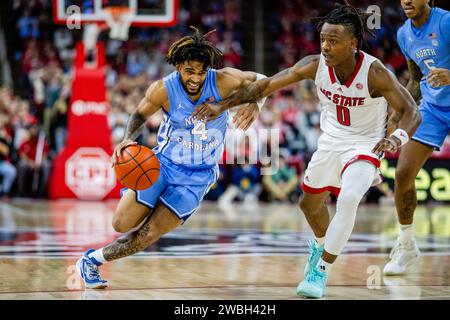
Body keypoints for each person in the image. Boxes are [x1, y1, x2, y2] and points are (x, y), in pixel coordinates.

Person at [192, 4, 421, 298]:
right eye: (323, 39)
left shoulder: (374, 72)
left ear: (353, 43)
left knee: (349, 198)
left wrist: (396, 139)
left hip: (365, 144)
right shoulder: (315, 64)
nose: (325, 46)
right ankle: (319, 245)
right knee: (308, 205)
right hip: (329, 142)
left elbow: (411, 111)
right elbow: (266, 86)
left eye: (333, 41)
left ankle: (320, 271)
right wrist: (221, 106)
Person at [75, 28, 267, 289]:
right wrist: (128, 138)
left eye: (201, 71)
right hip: (162, 165)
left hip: (198, 177)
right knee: (121, 223)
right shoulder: (162, 89)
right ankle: (146, 199)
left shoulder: (223, 80)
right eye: (189, 71)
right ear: (178, 66)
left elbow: (264, 80)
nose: (196, 78)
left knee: (147, 235)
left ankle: (91, 261)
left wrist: (256, 103)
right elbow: (140, 114)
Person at [383, 0, 450, 276]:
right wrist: (400, 112)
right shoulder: (403, 34)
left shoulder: (445, 22)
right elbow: (415, 78)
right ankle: (407, 244)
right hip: (432, 109)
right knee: (403, 173)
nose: (406, 0)